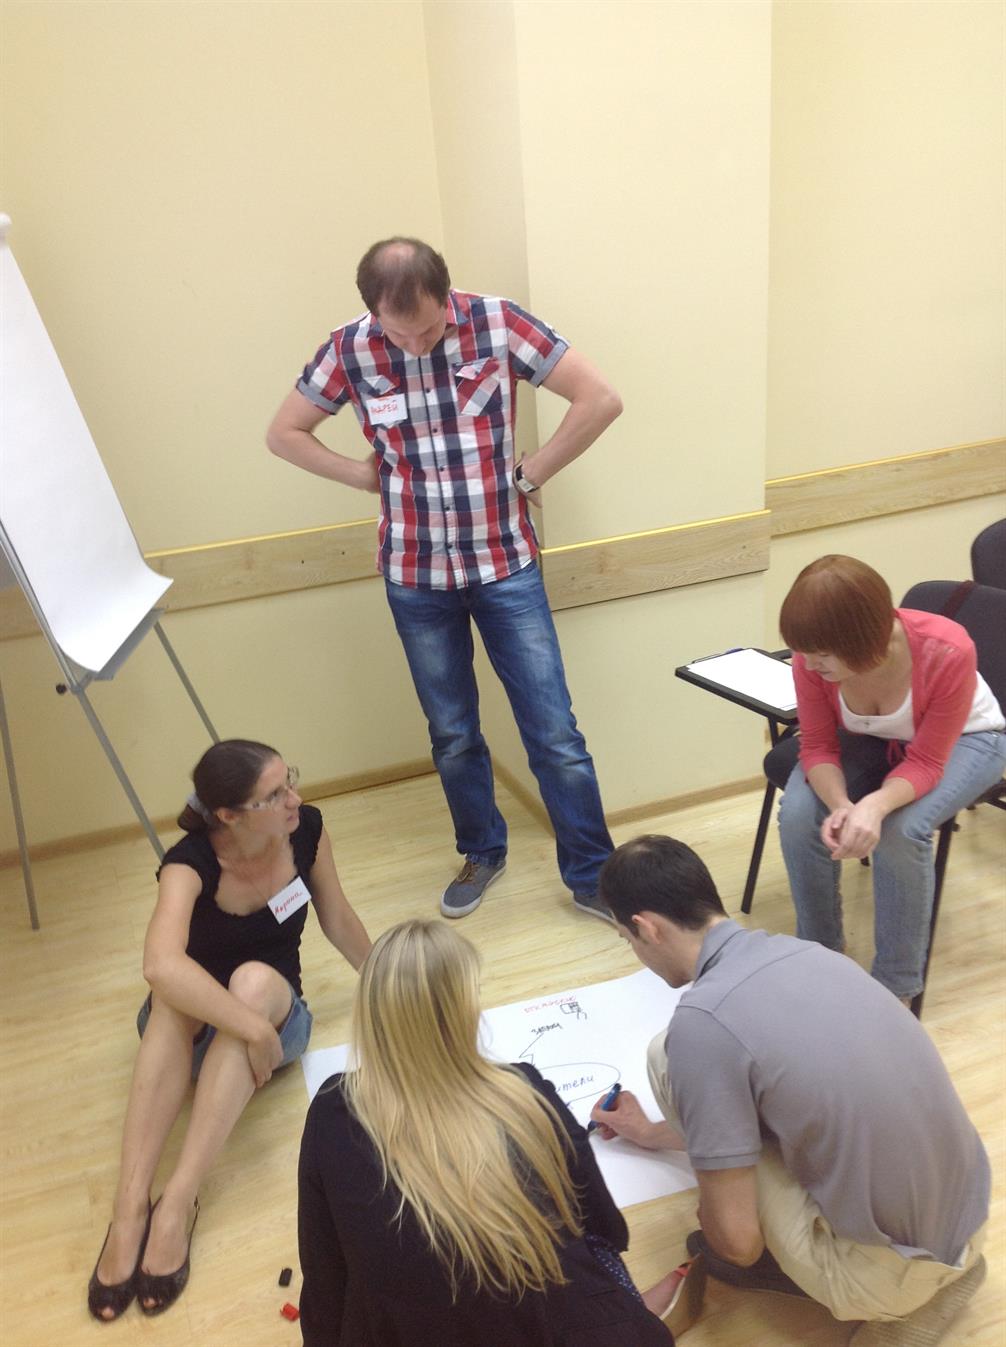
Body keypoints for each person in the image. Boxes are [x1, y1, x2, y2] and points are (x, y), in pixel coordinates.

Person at [266, 237, 619, 922]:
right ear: (373, 311)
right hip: (415, 574)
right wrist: (361, 475)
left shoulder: (497, 322)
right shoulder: (347, 348)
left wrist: (533, 472)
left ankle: (593, 876)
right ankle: (483, 851)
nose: (418, 344)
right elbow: (285, 433)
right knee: (453, 732)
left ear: (445, 294)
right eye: (401, 334)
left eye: (429, 329)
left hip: (505, 564)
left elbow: (600, 398)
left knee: (554, 733)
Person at [590, 834, 990, 1347]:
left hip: (891, 1275)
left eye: (628, 939)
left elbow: (737, 1246)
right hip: (970, 1219)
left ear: (647, 928)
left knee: (665, 1056)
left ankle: (897, 1300)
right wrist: (649, 1133)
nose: (636, 950)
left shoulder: (703, 1024)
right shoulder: (811, 954)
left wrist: (716, 1214)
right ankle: (947, 1271)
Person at [87, 739, 371, 1322]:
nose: (294, 799)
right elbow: (160, 966)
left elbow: (339, 917)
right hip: (202, 1033)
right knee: (174, 997)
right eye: (275, 794)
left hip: (276, 1013)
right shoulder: (188, 863)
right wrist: (250, 1030)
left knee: (252, 982)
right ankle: (129, 1208)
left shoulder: (308, 831)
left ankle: (177, 1202)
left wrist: (389, 985)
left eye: (289, 780)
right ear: (229, 816)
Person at [297, 919, 673, 1346]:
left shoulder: (332, 1112)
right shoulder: (524, 1091)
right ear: (465, 1011)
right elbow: (606, 1228)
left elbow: (324, 1276)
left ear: (370, 1015)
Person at [776, 555, 1006, 1002]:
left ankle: (895, 988)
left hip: (970, 739)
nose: (808, 663)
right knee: (800, 813)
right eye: (804, 652)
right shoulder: (810, 661)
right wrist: (843, 807)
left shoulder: (946, 650)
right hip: (881, 738)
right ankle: (821, 951)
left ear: (864, 641)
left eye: (822, 654)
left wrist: (875, 806)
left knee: (901, 830)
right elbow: (817, 747)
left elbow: (927, 762)